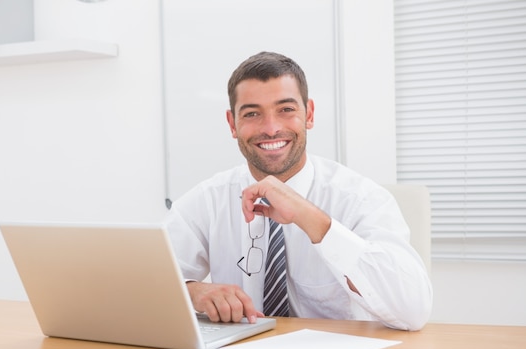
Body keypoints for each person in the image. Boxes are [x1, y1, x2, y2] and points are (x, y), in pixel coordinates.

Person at [165, 51, 432, 331]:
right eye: (253, 113)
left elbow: (413, 311)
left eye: (286, 110)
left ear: (310, 114)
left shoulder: (360, 199)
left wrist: (312, 219)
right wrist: (193, 292)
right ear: (233, 124)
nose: (271, 128)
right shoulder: (209, 199)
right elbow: (140, 282)